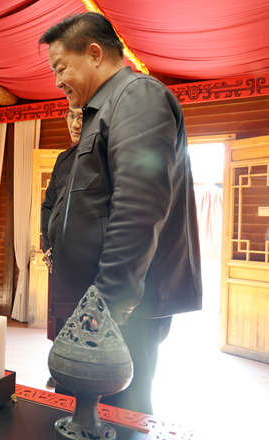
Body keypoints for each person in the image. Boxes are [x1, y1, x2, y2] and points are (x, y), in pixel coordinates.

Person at [39, 13, 202, 415]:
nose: (57, 81)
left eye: (60, 67)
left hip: (119, 308)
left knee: (120, 415)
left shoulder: (137, 96)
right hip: (93, 301)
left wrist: (107, 304)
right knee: (88, 413)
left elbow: (139, 204)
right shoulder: (103, 110)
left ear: (94, 54)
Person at [40, 106, 82, 388]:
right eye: (71, 115)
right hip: (60, 257)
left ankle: (80, 374)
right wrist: (48, 244)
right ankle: (60, 369)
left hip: (87, 258)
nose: (75, 124)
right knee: (62, 319)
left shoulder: (105, 156)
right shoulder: (63, 159)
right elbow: (48, 205)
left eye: (82, 117)